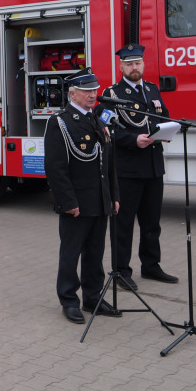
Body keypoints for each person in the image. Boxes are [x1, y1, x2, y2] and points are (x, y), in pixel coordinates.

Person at [43, 68, 121, 324]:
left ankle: (92, 297)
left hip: (99, 201)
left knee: (95, 253)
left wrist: (113, 196)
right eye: (87, 91)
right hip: (76, 203)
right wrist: (67, 202)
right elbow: (55, 168)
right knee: (71, 253)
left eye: (94, 90)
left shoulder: (97, 120)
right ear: (72, 93)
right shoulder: (61, 122)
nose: (92, 95)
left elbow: (108, 164)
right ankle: (68, 300)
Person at [104, 44, 178, 290]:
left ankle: (151, 265)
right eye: (129, 64)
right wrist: (133, 140)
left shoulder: (152, 89)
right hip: (128, 169)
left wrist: (167, 132)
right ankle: (121, 270)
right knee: (123, 224)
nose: (134, 68)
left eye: (138, 63)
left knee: (152, 222)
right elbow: (106, 129)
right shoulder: (112, 94)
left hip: (153, 167)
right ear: (121, 66)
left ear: (143, 65)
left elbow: (164, 117)